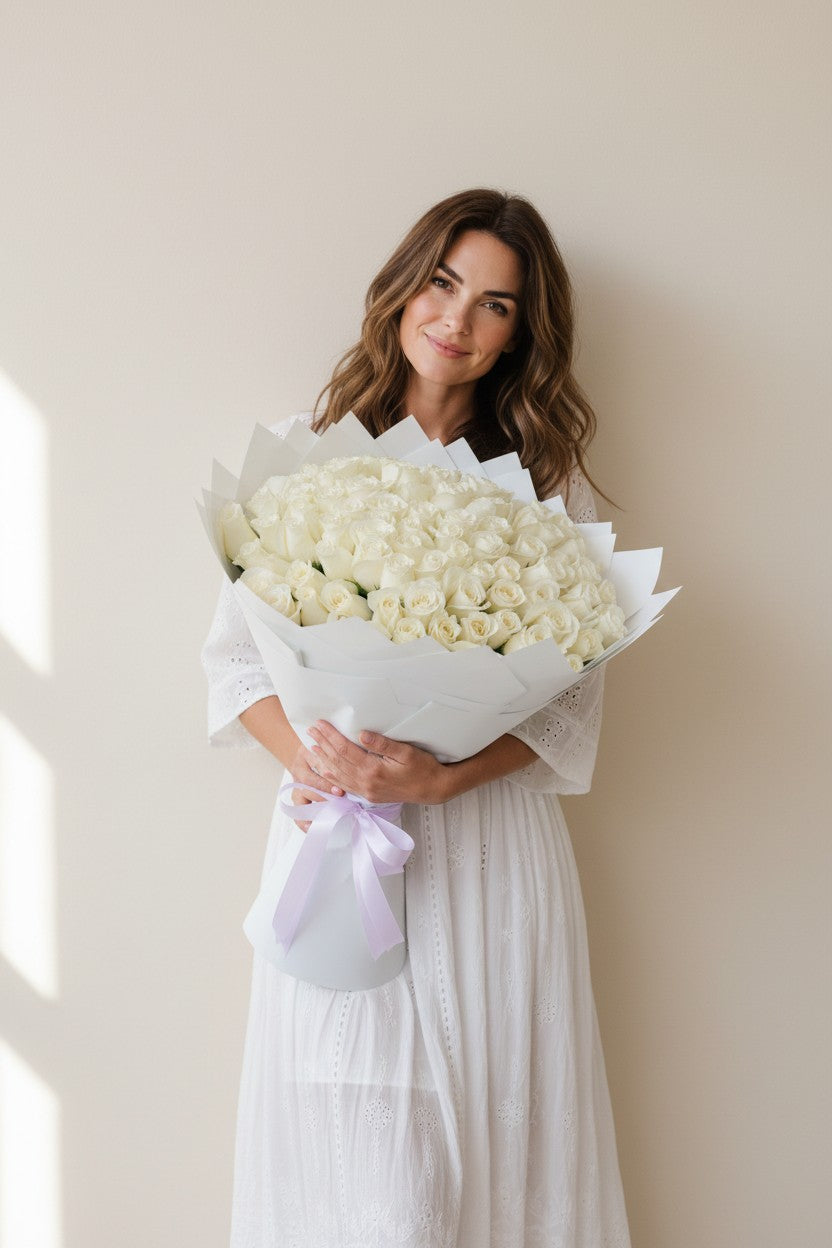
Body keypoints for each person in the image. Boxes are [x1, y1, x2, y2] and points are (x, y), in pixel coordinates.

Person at [201, 188, 631, 1247]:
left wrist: (435, 780)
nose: (457, 318)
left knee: (480, 1131)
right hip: (338, 837)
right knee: (353, 1132)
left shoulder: (546, 487)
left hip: (485, 850)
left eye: (495, 304)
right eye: (443, 283)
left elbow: (569, 710)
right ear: (403, 290)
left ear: (519, 334)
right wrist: (324, 761)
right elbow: (232, 668)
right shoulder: (306, 463)